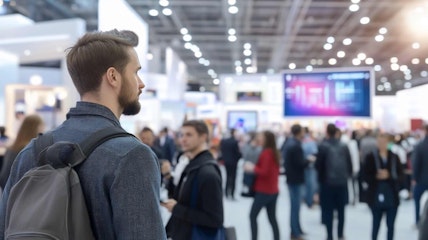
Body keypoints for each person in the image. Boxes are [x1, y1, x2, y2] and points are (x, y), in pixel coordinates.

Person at [0, 30, 166, 239]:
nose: (141, 83)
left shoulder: (31, 151)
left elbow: (4, 228)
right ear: (113, 77)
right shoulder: (132, 155)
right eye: (135, 72)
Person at [163, 120, 223, 240]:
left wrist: (177, 209)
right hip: (182, 232)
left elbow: (215, 219)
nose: (183, 139)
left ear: (203, 137)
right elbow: (180, 197)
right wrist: (168, 175)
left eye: (189, 135)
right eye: (182, 135)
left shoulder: (207, 173)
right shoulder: (192, 166)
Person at [363, 133, 403, 240]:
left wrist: (389, 175)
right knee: (376, 224)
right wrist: (376, 176)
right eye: (379, 142)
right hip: (375, 195)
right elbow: (365, 175)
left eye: (384, 142)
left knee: (390, 225)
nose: (381, 144)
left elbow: (401, 175)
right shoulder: (370, 157)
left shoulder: (394, 157)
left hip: (391, 195)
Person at [316, 125, 352, 240]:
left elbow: (318, 166)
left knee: (328, 211)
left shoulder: (323, 146)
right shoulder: (344, 146)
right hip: (341, 183)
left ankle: (329, 235)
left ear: (326, 132)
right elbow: (349, 165)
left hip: (327, 183)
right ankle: (340, 234)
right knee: (341, 211)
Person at [244, 130, 280, 240]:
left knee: (252, 216)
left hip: (264, 190)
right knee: (272, 218)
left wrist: (252, 168)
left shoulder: (266, 153)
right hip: (273, 190)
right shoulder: (273, 152)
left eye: (260, 136)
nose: (258, 138)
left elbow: (264, 171)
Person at [283, 124, 314, 240]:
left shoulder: (290, 143)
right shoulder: (295, 146)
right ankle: (295, 232)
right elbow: (299, 164)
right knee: (295, 207)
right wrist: (308, 160)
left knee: (296, 206)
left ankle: (297, 229)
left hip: (292, 178)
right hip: (295, 179)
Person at [0, 115, 44, 189]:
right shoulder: (28, 150)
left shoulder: (12, 148)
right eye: (41, 127)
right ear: (36, 128)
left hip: (7, 192)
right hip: (18, 193)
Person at [412, 125, 428, 226]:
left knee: (417, 201)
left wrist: (414, 178)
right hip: (422, 177)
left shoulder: (420, 145)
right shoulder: (420, 145)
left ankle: (418, 220)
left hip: (421, 179)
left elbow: (416, 163)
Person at [220, 128, 242, 200]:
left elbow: (222, 151)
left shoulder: (224, 141)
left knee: (227, 177)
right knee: (233, 178)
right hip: (233, 162)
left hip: (226, 162)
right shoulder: (235, 142)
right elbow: (237, 153)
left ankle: (226, 193)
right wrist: (239, 156)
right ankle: (231, 194)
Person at [341, 130, 360, 205]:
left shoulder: (352, 144)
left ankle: (353, 198)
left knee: (352, 184)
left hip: (352, 167)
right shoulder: (352, 144)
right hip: (353, 167)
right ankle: (353, 198)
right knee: (352, 184)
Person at [241, 131, 262, 197]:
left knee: (254, 180)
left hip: (256, 166)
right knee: (247, 180)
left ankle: (253, 191)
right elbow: (245, 155)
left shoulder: (259, 147)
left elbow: (260, 156)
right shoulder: (247, 146)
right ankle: (248, 191)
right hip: (248, 166)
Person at [302, 127, 318, 208]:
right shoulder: (309, 141)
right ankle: (308, 200)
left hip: (308, 166)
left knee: (309, 185)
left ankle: (308, 200)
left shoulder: (306, 141)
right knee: (309, 185)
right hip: (307, 166)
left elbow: (314, 154)